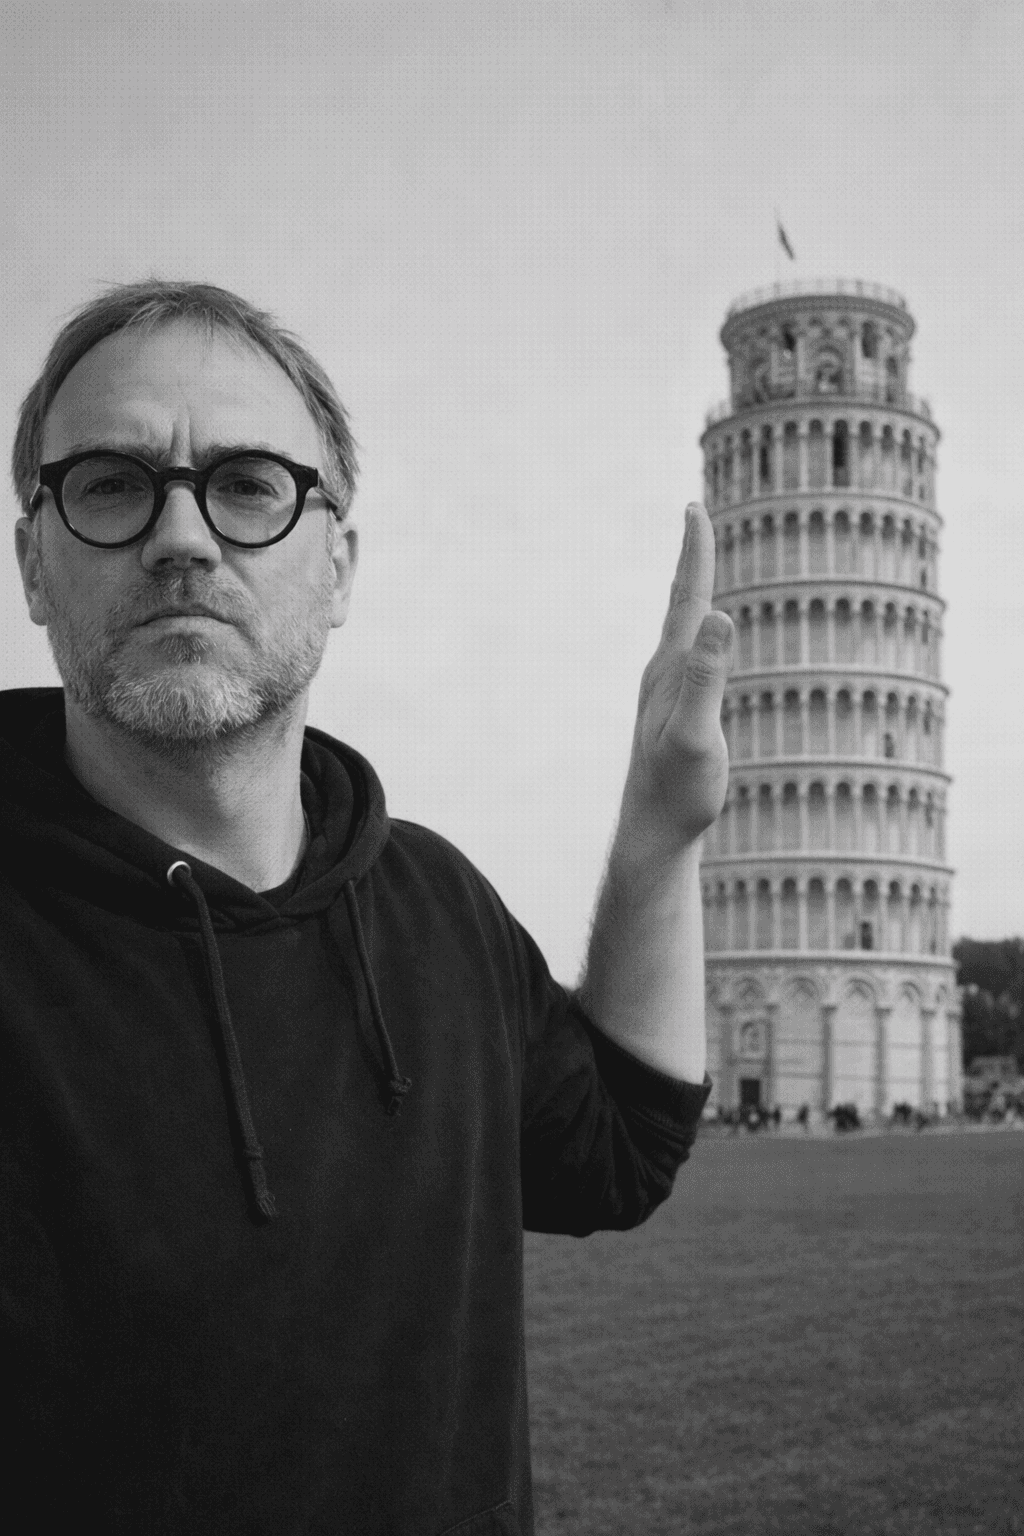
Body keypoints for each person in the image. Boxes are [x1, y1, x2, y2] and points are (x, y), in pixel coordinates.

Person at [1, 280, 733, 1534]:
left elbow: (623, 1146)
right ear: (32, 560)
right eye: (113, 483)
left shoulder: (436, 907)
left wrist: (657, 833)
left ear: (337, 564)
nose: (184, 537)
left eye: (247, 484)